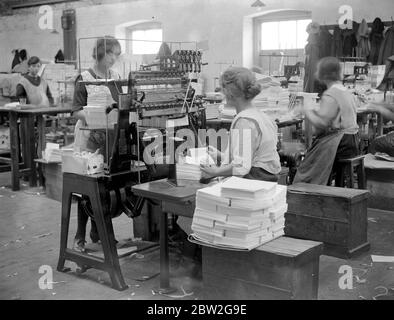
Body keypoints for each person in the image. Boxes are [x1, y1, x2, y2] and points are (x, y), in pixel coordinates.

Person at [72, 36, 122, 252]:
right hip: (88, 137)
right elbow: (75, 111)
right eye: (111, 54)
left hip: (108, 138)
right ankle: (79, 237)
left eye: (116, 55)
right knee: (87, 189)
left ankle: (98, 232)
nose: (114, 59)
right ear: (101, 53)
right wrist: (96, 116)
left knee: (104, 188)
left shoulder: (116, 77)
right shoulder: (83, 78)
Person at [200, 66, 281, 182]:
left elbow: (241, 167)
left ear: (229, 93)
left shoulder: (244, 121)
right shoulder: (261, 116)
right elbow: (252, 157)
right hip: (266, 183)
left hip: (253, 183)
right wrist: (221, 156)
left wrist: (215, 171)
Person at [294, 56, 360, 185]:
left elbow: (322, 123)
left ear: (322, 74)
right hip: (352, 140)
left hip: (340, 143)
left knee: (307, 167)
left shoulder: (331, 94)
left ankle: (308, 195)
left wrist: (306, 110)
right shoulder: (346, 91)